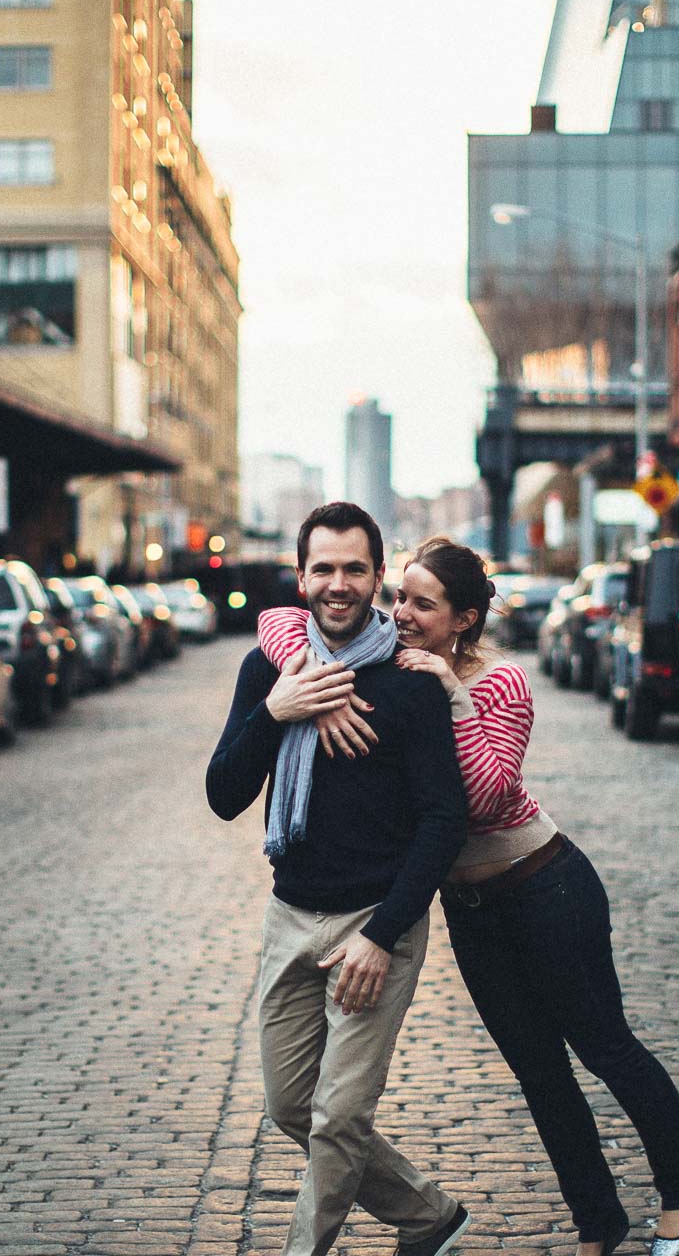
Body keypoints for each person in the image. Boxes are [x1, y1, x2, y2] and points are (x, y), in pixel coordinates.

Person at [257, 537, 679, 1256]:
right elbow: (280, 620)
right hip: (472, 910)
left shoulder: (500, 682)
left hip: (545, 888)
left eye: (422, 604)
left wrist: (453, 694)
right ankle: (598, 1223)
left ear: (464, 618)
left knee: (605, 1047)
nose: (401, 614)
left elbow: (484, 795)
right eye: (400, 597)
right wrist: (308, 678)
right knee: (539, 1072)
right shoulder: (389, 659)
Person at [206, 503, 473, 1256]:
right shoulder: (270, 670)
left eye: (355, 568)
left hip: (375, 922)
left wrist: (382, 937)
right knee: (292, 1106)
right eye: (323, 568)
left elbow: (443, 821)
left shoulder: (410, 681)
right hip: (290, 915)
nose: (339, 584)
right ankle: (427, 1216)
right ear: (301, 578)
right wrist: (278, 710)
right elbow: (224, 794)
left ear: (378, 576)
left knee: (339, 1117)